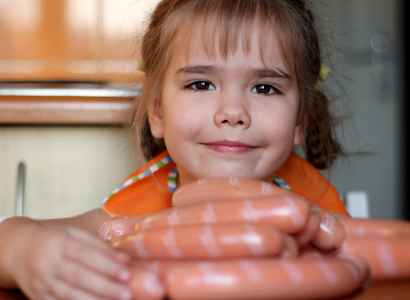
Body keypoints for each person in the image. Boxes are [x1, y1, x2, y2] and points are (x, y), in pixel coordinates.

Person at [0, 0, 348, 299]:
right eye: (201, 83)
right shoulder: (131, 215)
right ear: (158, 112)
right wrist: (25, 251)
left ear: (300, 120)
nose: (232, 113)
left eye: (265, 88)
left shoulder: (320, 215)